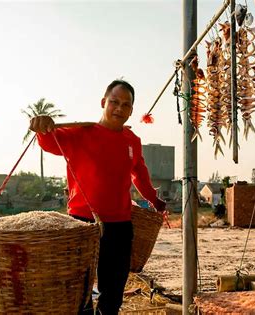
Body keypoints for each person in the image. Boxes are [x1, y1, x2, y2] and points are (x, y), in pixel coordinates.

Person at [29, 79, 166, 315]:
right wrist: (41, 126)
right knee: (79, 292)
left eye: (125, 105)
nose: (119, 109)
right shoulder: (80, 133)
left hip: (120, 226)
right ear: (104, 102)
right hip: (82, 224)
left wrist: (156, 201)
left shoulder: (132, 141)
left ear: (131, 111)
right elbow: (49, 141)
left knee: (113, 292)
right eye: (114, 102)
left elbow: (140, 176)